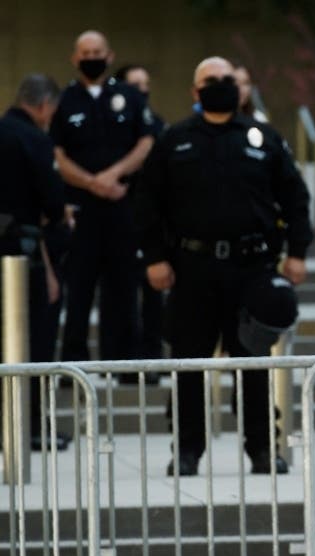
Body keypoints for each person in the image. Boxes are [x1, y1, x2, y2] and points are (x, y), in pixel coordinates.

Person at [134, 56, 312, 477]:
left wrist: (298, 251)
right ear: (195, 91)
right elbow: (146, 204)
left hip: (251, 269)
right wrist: (155, 258)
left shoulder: (263, 138)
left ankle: (263, 449)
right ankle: (188, 449)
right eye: (209, 80)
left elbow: (295, 198)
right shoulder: (174, 140)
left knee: (252, 364)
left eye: (226, 79)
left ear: (240, 87)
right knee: (189, 364)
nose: (219, 85)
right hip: (191, 269)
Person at [50, 30, 157, 372]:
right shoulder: (64, 101)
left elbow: (146, 142)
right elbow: (56, 152)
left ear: (109, 56)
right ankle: (74, 368)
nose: (91, 57)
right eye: (85, 52)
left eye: (97, 51)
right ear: (75, 58)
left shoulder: (129, 96)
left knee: (125, 289)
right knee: (78, 290)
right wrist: (91, 182)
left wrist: (113, 175)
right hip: (81, 212)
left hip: (122, 208)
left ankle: (125, 364)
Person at [0, 74, 70, 450]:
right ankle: (32, 427)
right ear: (44, 106)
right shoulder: (33, 140)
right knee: (36, 344)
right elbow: (53, 202)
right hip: (24, 253)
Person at [115, 63, 167, 366]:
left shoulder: (157, 125)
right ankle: (123, 360)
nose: (143, 90)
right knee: (121, 295)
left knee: (152, 298)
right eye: (136, 84)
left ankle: (151, 359)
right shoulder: (110, 125)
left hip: (150, 221)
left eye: (146, 83)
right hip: (118, 217)